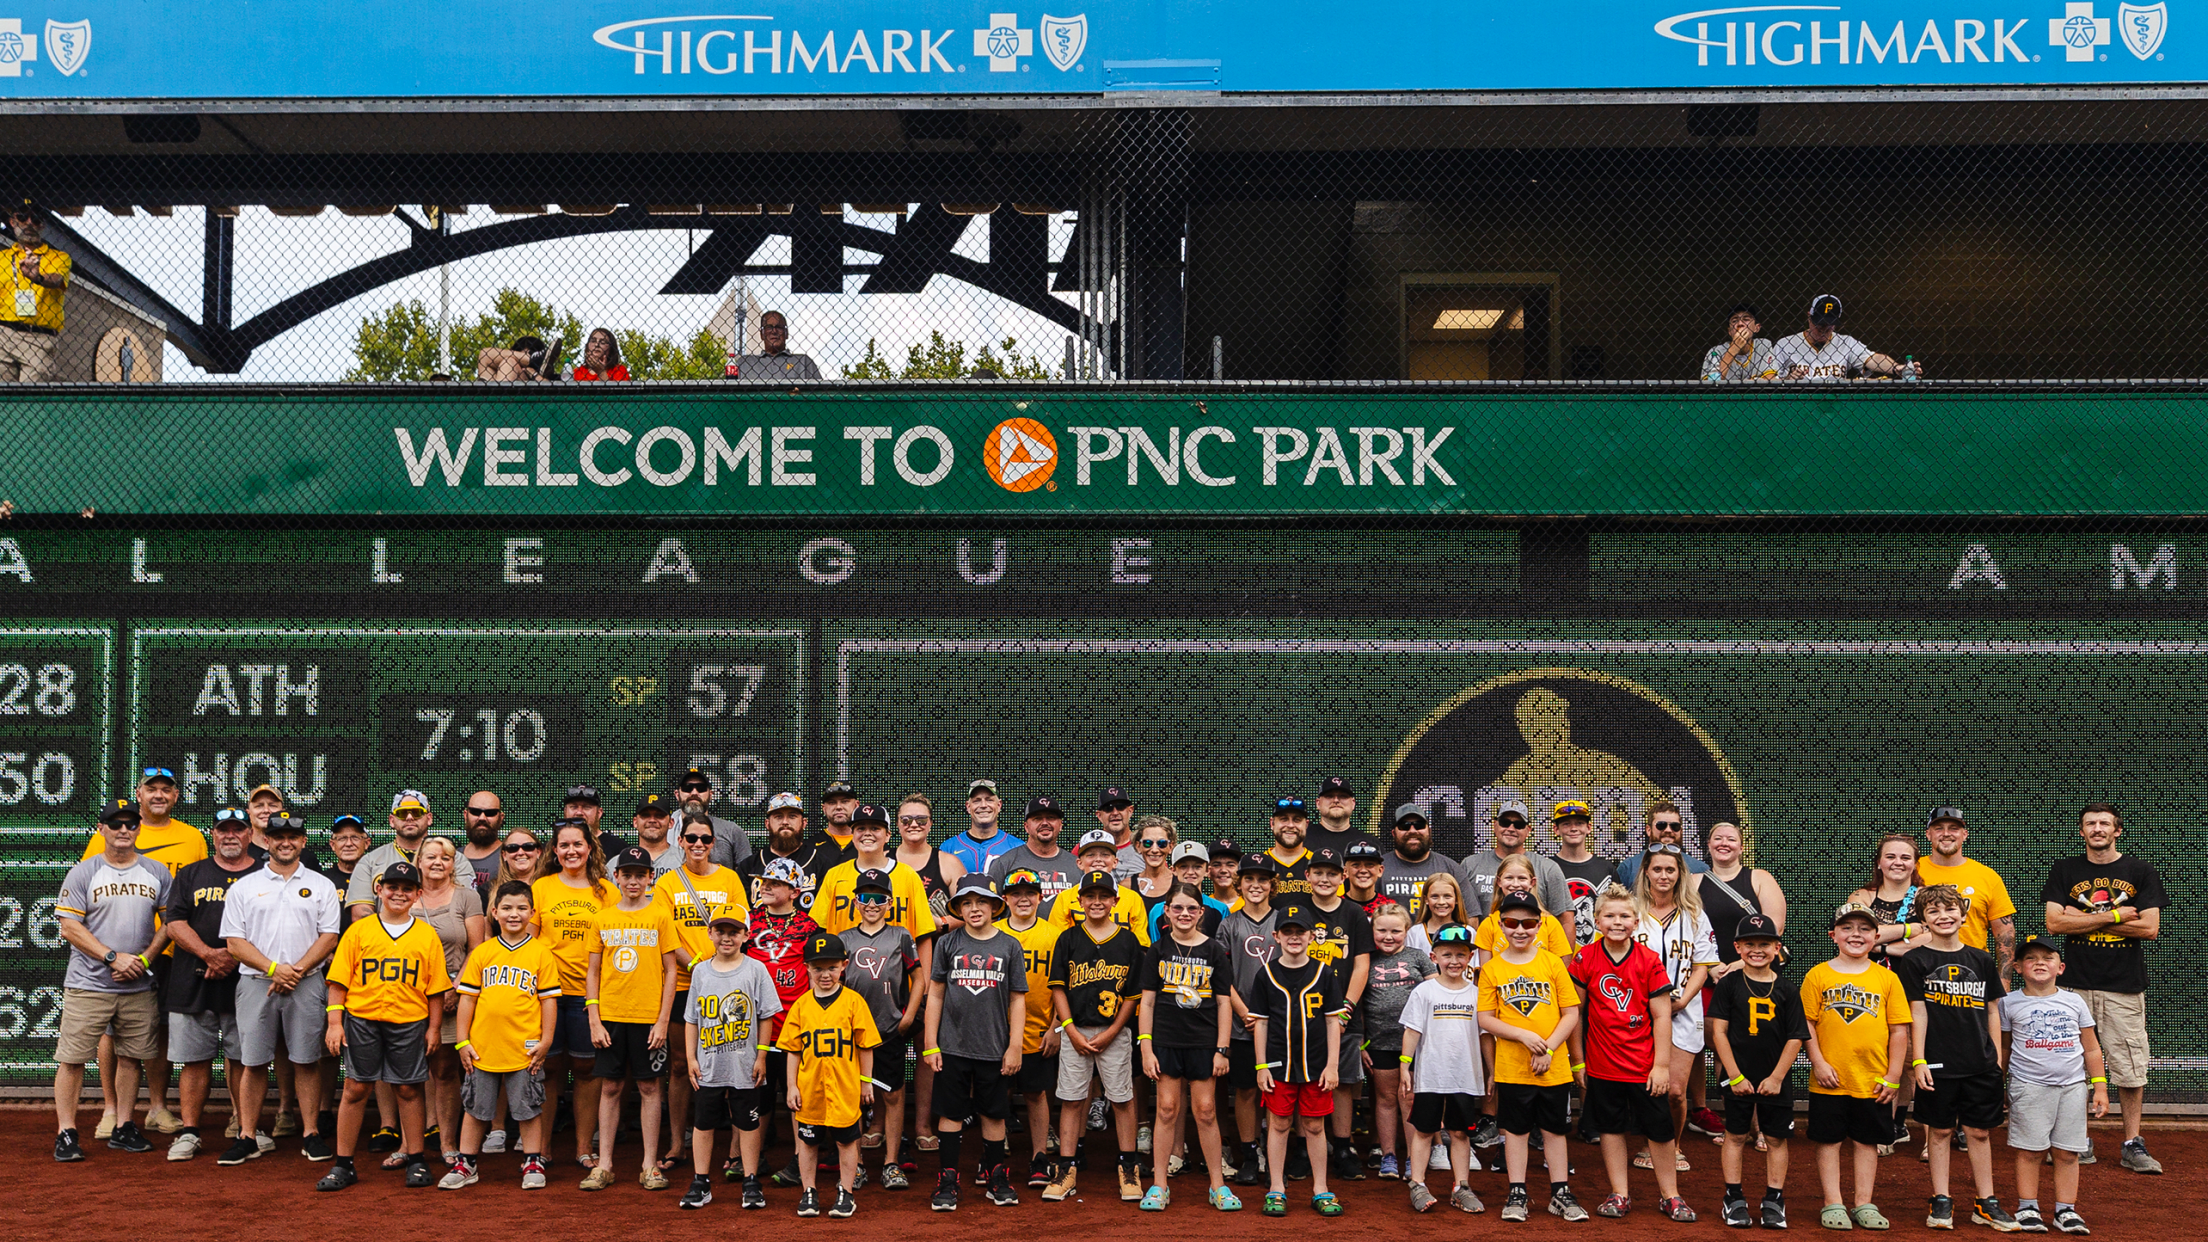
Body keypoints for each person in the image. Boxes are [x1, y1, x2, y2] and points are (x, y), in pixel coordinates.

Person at [2041, 801, 2167, 1174]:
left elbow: (2148, 928)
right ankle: (2076, 1139)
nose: (2097, 829)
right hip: (2073, 985)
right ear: (2082, 832)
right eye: (2090, 824)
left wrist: (2083, 918)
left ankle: (2132, 1142)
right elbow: (2054, 924)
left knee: (2129, 1068)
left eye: (2104, 823)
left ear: (2117, 831)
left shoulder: (2140, 871)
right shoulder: (2065, 870)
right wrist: (2112, 915)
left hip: (2124, 986)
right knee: (2071, 1065)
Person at [79, 767, 204, 1140]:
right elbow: (87, 884)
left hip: (166, 950)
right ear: (139, 794)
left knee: (157, 1028)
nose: (159, 795)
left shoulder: (192, 836)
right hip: (115, 951)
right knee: (110, 1032)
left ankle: (158, 1108)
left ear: (176, 796)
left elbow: (196, 890)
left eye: (167, 789)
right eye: (152, 789)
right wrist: (106, 952)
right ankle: (112, 1109)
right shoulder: (111, 833)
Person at [315, 861, 452, 1191]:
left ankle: (416, 1159)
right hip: (363, 1018)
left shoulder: (425, 934)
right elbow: (338, 983)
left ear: (418, 894)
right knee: (356, 1088)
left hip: (408, 1021)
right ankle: (344, 1163)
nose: (399, 893)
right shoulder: (360, 931)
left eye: (407, 889)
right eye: (392, 887)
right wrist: (335, 1022)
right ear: (379, 890)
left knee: (408, 1088)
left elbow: (435, 990)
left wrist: (434, 1029)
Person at [53, 799, 173, 1163]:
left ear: (138, 829)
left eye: (130, 824)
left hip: (137, 983)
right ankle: (67, 1131)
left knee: (131, 1058)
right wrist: (111, 956)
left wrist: (145, 959)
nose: (123, 830)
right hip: (89, 983)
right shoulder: (84, 872)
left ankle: (124, 1125)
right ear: (101, 829)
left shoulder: (156, 872)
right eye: (115, 824)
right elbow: (69, 925)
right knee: (73, 1059)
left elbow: (171, 923)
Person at [221, 811, 342, 1164]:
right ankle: (247, 1135)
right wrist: (275, 969)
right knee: (253, 1062)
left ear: (303, 841)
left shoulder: (320, 885)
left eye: (293, 837)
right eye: (278, 837)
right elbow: (234, 942)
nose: (285, 842)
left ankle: (311, 1133)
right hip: (256, 982)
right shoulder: (244, 886)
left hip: (306, 983)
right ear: (267, 841)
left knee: (306, 1061)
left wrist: (296, 971)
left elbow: (329, 936)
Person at [1893, 884, 2015, 1230]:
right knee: (1940, 1133)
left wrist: (1996, 1060)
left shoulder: (1980, 958)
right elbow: (1917, 1013)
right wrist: (1918, 1060)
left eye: (1949, 910)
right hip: (1937, 1065)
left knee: (1978, 1133)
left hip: (1980, 1064)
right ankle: (1941, 1199)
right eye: (1933, 911)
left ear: (1963, 915)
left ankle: (1986, 1201)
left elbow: (1993, 1012)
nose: (1943, 916)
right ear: (1923, 919)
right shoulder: (1916, 960)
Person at [1569, 885, 1688, 1221]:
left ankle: (1671, 1195)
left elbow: (1662, 1014)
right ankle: (1619, 1193)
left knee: (1660, 1131)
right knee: (1610, 1128)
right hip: (1603, 1065)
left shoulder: (1648, 960)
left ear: (1637, 921)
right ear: (1596, 920)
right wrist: (1578, 1060)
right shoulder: (1585, 958)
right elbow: (1575, 1012)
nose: (1617, 922)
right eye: (1609, 916)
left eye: (1624, 916)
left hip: (1643, 1065)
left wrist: (1662, 1065)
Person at [443, 880, 562, 1191]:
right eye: (507, 908)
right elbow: (467, 999)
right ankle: (467, 1162)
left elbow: (549, 1001)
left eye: (522, 908)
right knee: (476, 1107)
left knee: (528, 1106)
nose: (514, 914)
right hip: (482, 1046)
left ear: (532, 912)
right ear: (493, 912)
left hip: (525, 1047)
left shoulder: (540, 953)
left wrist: (547, 1040)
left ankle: (533, 1159)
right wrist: (463, 1041)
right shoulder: (483, 953)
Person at [1801, 902, 1912, 1231]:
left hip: (1873, 1078)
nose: (1856, 934)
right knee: (1829, 1140)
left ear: (1877, 937)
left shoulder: (1887, 978)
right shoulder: (1818, 974)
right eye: (1847, 928)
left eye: (1864, 929)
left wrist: (1893, 1076)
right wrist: (1818, 1062)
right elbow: (1806, 1024)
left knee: (1867, 1141)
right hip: (1829, 1078)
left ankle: (1863, 1202)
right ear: (1833, 935)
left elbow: (1899, 1030)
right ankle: (1832, 1200)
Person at [160, 807, 261, 1162]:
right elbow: (174, 922)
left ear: (250, 834)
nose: (230, 835)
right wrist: (209, 955)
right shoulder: (191, 874)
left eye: (238, 829)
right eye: (223, 830)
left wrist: (234, 955)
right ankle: (190, 1130)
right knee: (194, 1059)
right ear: (213, 835)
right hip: (194, 977)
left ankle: (243, 1125)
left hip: (247, 980)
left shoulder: (264, 873)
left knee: (244, 1058)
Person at [1478, 891, 1584, 1224]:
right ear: (1500, 925)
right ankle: (1517, 1191)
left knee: (1554, 1130)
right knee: (1516, 1131)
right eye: (1511, 923)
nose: (1519, 929)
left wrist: (1549, 1047)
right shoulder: (1492, 968)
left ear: (1540, 925)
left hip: (1553, 1066)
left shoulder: (1552, 962)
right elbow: (1485, 1018)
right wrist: (1523, 1036)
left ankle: (1560, 1192)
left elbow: (1570, 1013)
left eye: (1527, 923)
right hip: (1512, 1066)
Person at [654, 808, 750, 1171]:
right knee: (681, 1066)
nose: (698, 844)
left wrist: (717, 970)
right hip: (682, 982)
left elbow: (740, 926)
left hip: (727, 985)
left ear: (713, 843)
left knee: (730, 1066)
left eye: (705, 839)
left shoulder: (728, 878)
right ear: (680, 841)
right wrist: (696, 967)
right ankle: (678, 1144)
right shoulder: (667, 884)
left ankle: (735, 1152)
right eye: (691, 838)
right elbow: (667, 936)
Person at [580, 847, 679, 1191]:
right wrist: (594, 1016)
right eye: (627, 874)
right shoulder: (603, 918)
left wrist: (663, 1020)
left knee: (651, 1087)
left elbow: (671, 971)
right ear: (616, 877)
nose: (633, 880)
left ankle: (649, 1165)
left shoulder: (661, 916)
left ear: (651, 878)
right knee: (610, 1087)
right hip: (610, 1015)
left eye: (641, 874)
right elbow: (591, 972)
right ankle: (604, 1164)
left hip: (648, 1016)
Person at [925, 875, 1026, 1209]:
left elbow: (1016, 1000)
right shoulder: (948, 943)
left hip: (994, 1047)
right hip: (952, 1045)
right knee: (950, 1112)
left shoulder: (1009, 945)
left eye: (982, 901)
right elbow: (936, 994)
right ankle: (948, 1178)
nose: (974, 908)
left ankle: (996, 1175)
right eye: (966, 903)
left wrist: (1014, 1046)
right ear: (958, 908)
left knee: (994, 1113)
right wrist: (930, 1042)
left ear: (996, 906)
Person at [1045, 868, 1145, 1202]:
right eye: (1091, 896)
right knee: (1072, 1099)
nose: (1097, 902)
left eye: (1104, 896)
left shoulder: (1128, 940)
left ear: (1116, 901)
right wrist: (1069, 1029)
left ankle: (1128, 1167)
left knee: (1121, 1098)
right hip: (1077, 1029)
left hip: (1114, 1032)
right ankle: (1066, 1169)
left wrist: (1115, 1030)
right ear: (1080, 901)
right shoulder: (1069, 938)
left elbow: (1133, 996)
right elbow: (1058, 988)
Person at [1138, 882, 1240, 1211]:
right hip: (1167, 1040)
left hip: (1203, 1042)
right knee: (1166, 1109)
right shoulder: (1157, 951)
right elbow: (1148, 1004)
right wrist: (1146, 1048)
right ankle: (1158, 1185)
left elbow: (1225, 1004)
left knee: (1206, 1111)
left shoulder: (1213, 951)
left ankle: (1217, 1186)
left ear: (1202, 913)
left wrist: (1222, 1049)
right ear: (1166, 911)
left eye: (1191, 908)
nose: (1184, 914)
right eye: (1177, 908)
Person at [1999, 935, 2109, 1235]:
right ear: (2018, 967)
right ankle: (2027, 1207)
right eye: (2031, 959)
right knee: (2030, 1150)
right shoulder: (2009, 1003)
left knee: (2068, 1152)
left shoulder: (2074, 1001)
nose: (2039, 963)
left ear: (2060, 967)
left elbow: (2091, 1048)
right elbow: (2004, 1048)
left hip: (2073, 1088)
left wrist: (2099, 1086)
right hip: (2029, 1086)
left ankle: (2066, 1211)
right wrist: (2000, 1085)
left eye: (2047, 958)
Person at [1247, 902, 1348, 1219]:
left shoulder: (1324, 973)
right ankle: (1276, 1187)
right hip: (1278, 1065)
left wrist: (1333, 1065)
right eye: (1287, 932)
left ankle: (1321, 1188)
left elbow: (1334, 1021)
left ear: (1311, 936)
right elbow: (1260, 1022)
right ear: (1275, 936)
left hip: (1316, 1066)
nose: (1294, 937)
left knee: (1315, 1126)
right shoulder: (1266, 975)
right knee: (1278, 1125)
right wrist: (1261, 1065)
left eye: (1300, 932)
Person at [1708, 912, 1807, 1230]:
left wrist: (1777, 1077)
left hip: (1775, 1079)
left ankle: (1774, 1199)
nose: (1757, 949)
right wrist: (1734, 1076)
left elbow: (1796, 1037)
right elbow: (1719, 1033)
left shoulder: (1788, 990)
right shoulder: (1729, 985)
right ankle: (1733, 1197)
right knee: (1735, 1135)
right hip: (1737, 1076)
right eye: (1749, 944)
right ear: (1737, 947)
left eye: (1765, 943)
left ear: (1777, 948)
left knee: (1776, 1138)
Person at [680, 910, 783, 1209]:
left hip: (744, 1065)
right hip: (709, 1064)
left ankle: (751, 1180)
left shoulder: (755, 970)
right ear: (710, 933)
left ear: (745, 936)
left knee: (748, 1124)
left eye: (734, 932)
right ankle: (701, 1181)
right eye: (721, 931)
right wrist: (691, 1058)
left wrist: (761, 1055)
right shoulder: (700, 971)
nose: (727, 937)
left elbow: (767, 1016)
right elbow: (691, 1020)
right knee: (703, 1122)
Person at [777, 932, 879, 1219]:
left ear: (844, 965)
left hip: (845, 1087)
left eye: (832, 967)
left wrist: (866, 1082)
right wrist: (790, 1086)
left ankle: (846, 1192)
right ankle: (809, 1191)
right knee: (808, 1142)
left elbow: (865, 1045)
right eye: (818, 968)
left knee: (847, 1141)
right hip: (809, 1088)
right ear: (807, 967)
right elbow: (793, 1050)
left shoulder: (853, 1002)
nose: (825, 974)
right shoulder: (801, 1005)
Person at [529, 818, 612, 1171]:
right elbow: (529, 942)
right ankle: (543, 1147)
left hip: (589, 994)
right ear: (555, 851)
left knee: (587, 1069)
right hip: (546, 993)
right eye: (564, 845)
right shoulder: (541, 887)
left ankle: (582, 1146)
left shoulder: (608, 891)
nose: (571, 851)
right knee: (547, 1069)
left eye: (577, 844)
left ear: (589, 848)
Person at [1633, 844, 1718, 1156]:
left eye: (1671, 870)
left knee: (1675, 1091)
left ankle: (1675, 1147)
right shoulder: (1632, 913)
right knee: (1649, 1088)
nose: (1664, 875)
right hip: (1641, 1012)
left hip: (1683, 1010)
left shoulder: (1695, 915)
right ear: (1646, 873)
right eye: (1657, 869)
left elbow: (1702, 966)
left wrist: (1683, 1001)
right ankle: (1650, 1145)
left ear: (1680, 874)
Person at [839, 868, 922, 1189]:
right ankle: (856, 1163)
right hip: (854, 1034)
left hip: (889, 1028)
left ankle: (890, 1162)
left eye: (879, 898)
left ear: (890, 903)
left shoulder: (900, 935)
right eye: (865, 898)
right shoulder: (845, 939)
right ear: (855, 902)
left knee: (893, 1094)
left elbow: (919, 979)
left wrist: (908, 1016)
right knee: (855, 1099)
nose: (871, 904)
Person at [750, 857, 825, 1182]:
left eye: (775, 882)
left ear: (794, 891)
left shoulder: (809, 926)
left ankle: (799, 1160)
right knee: (756, 1095)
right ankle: (749, 1157)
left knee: (796, 1095)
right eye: (764, 881)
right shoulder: (749, 921)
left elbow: (817, 971)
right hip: (754, 1026)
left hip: (794, 1023)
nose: (765, 886)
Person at [1399, 922, 1481, 1215]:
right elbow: (1412, 1031)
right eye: (1447, 954)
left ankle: (1462, 1187)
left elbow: (1485, 1037)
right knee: (1424, 1129)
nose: (1454, 961)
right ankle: (1418, 1183)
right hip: (1430, 1076)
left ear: (1470, 957)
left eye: (1461, 954)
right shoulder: (1425, 991)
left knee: (1460, 1133)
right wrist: (1404, 1067)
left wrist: (1492, 1071)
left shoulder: (1477, 994)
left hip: (1464, 1076)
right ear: (1434, 957)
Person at [414, 836, 486, 1166]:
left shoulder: (467, 898)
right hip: (408, 998)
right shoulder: (403, 895)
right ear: (418, 861)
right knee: (407, 1073)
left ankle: (447, 1143)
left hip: (451, 997)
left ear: (453, 864)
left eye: (445, 857)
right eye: (430, 856)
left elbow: (478, 948)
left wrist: (456, 987)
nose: (437, 862)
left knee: (444, 1070)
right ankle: (408, 1144)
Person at [1304, 847, 1373, 1183]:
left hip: (1345, 1013)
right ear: (1308, 877)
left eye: (1332, 873)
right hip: (1302, 1014)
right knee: (1303, 1079)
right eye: (1318, 872)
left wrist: (1345, 1008)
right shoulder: (1297, 910)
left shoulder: (1354, 914)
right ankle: (1304, 1147)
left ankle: (1343, 1147)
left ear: (1342, 876)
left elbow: (1362, 964)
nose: (1325, 879)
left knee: (1344, 1082)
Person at [998, 868, 1064, 1188]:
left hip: (1039, 1029)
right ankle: (995, 1151)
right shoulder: (994, 931)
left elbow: (1064, 987)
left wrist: (1056, 1028)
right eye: (1016, 894)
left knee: (1037, 1093)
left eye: (1030, 893)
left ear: (1040, 897)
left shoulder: (1053, 935)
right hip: (998, 1031)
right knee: (998, 1091)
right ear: (1005, 899)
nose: (1023, 899)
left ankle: (1039, 1155)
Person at [1361, 900, 1433, 1182]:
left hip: (1414, 1043)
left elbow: (1434, 994)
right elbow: (1360, 1002)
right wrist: (1361, 1043)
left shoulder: (1418, 957)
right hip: (1379, 1042)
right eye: (1381, 931)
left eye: (1396, 931)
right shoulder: (1366, 959)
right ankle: (1388, 1155)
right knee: (1386, 1098)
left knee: (1410, 1098)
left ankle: (1412, 1157)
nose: (1388, 937)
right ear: (1373, 930)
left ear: (1407, 931)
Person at [1218, 854, 1279, 1186]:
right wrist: (1245, 1013)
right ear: (1239, 883)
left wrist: (1273, 1016)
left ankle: (1276, 1151)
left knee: (1278, 1089)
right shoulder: (1229, 924)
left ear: (1272, 885)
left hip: (1280, 1024)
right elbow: (1222, 977)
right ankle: (1250, 1153)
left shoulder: (1283, 921)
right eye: (1249, 880)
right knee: (1245, 1090)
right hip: (1244, 1024)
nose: (1256, 886)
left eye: (1263, 880)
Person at [1919, 806, 2017, 982]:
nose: (1946, 834)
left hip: (1971, 973)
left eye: (1954, 828)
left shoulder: (1987, 876)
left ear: (1965, 834)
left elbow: (2005, 934)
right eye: (1939, 828)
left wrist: (2004, 983)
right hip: (1921, 969)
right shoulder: (1912, 870)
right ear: (1928, 834)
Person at [816, 803, 937, 945]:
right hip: (845, 964)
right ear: (852, 835)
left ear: (887, 835)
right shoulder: (834, 875)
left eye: (875, 828)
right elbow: (818, 929)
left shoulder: (908, 875)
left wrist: (923, 968)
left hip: (896, 964)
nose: (867, 833)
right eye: (861, 828)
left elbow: (923, 935)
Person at [1463, 800, 1572, 934]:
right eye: (1505, 822)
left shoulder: (1547, 868)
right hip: (1487, 950)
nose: (1511, 828)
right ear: (1495, 825)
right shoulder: (1470, 865)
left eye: (1518, 825)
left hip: (1537, 951)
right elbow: (1461, 916)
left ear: (1528, 830)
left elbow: (1566, 920)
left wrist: (1564, 955)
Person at [1773, 292, 1922, 381]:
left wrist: (1897, 368)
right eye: (1819, 324)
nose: (1823, 329)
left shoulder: (1845, 342)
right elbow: (1769, 379)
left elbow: (1873, 359)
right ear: (1809, 317)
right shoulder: (1786, 344)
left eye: (1829, 325)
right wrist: (1788, 380)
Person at [1, 198, 70, 382]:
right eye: (23, 217)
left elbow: (57, 280)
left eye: (37, 218)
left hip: (39, 337)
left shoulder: (59, 257)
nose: (30, 223)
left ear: (43, 225)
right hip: (3, 334)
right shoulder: (2, 258)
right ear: (12, 221)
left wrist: (37, 277)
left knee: (31, 399)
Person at [1044, 830, 1153, 940]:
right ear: (1079, 863)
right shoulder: (1065, 897)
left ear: (1115, 862)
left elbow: (1140, 945)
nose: (1098, 860)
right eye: (1090, 855)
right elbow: (1057, 941)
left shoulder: (1132, 898)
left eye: (1105, 855)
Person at [738, 791, 830, 913]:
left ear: (804, 823)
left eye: (792, 816)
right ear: (767, 823)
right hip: (760, 931)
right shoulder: (749, 866)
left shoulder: (821, 863)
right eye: (778, 817)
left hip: (810, 931)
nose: (785, 822)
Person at [347, 790, 434, 916]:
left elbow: (464, 908)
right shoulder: (369, 862)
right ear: (392, 820)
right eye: (402, 813)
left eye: (417, 812)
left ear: (429, 818)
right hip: (384, 934)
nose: (409, 818)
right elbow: (360, 916)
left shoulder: (453, 860)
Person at [1548, 800, 1617, 950]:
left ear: (1588, 828)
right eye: (1566, 824)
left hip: (1600, 957)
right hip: (1556, 955)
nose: (1573, 828)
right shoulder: (1546, 867)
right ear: (1556, 829)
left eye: (1579, 823)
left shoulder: (1606, 868)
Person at [986, 795, 1078, 903]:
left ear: (1061, 825)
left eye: (1051, 818)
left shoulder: (1076, 865)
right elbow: (989, 909)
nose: (1044, 823)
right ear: (1026, 827)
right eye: (1037, 818)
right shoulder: (1005, 863)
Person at [894, 792, 963, 928]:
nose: (913, 824)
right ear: (897, 823)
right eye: (906, 820)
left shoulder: (949, 863)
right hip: (891, 945)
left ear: (930, 823)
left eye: (921, 820)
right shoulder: (882, 859)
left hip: (938, 946)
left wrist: (941, 923)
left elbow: (967, 912)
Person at [1380, 803, 1457, 922]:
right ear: (1393, 833)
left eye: (1419, 825)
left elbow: (1470, 915)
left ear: (1429, 831)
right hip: (1391, 939)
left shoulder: (1450, 867)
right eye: (1404, 826)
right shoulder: (1378, 868)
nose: (1412, 830)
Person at [1612, 800, 1710, 889]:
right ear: (1648, 830)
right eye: (1661, 825)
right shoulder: (1628, 867)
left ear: (1681, 831)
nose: (1668, 830)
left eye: (1674, 826)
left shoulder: (1700, 869)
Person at [671, 768, 752, 871]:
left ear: (711, 795)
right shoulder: (664, 830)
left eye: (701, 788)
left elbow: (747, 874)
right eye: (688, 788)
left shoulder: (731, 831)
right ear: (677, 794)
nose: (694, 792)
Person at [1147, 842, 1230, 941]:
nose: (1190, 872)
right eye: (1183, 866)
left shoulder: (1220, 909)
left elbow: (1221, 951)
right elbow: (1155, 950)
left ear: (1207, 870)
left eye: (1197, 867)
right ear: (1173, 870)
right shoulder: (1158, 911)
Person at [943, 778, 1023, 874]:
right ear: (968, 807)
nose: (983, 805)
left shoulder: (1017, 847)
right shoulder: (948, 847)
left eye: (989, 800)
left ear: (999, 805)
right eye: (977, 801)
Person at [733, 311, 822, 381]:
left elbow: (821, 395)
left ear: (786, 333)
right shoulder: (745, 363)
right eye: (769, 327)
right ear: (762, 334)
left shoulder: (803, 362)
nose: (774, 331)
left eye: (779, 327)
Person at [1700, 303, 1777, 382]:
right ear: (1729, 331)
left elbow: (1770, 379)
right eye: (1734, 321)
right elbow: (1711, 384)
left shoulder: (1763, 346)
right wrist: (1734, 348)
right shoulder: (1716, 352)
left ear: (1756, 328)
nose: (1740, 324)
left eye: (1746, 319)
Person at [1260, 796, 1316, 901]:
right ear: (1272, 823)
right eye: (1284, 819)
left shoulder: (1319, 863)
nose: (1290, 825)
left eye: (1297, 820)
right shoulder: (1258, 865)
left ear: (1306, 824)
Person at [1407, 869, 1468, 955]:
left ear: (1457, 899)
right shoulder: (1414, 933)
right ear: (1426, 899)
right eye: (1435, 896)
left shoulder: (1468, 932)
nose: (1441, 902)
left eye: (1447, 896)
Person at [1305, 775, 1366, 860]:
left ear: (1353, 803)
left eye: (1343, 796)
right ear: (1318, 803)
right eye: (1329, 796)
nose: (1336, 800)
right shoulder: (1302, 840)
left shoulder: (1368, 843)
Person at [1129, 814, 1180, 911]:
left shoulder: (1182, 883)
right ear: (1138, 846)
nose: (1155, 849)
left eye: (1162, 843)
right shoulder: (1127, 885)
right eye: (1148, 843)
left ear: (1171, 846)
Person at [563, 784, 628, 859]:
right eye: (574, 807)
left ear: (599, 813)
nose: (579, 813)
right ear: (565, 812)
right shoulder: (551, 847)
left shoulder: (618, 848)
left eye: (586, 807)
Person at [1095, 784, 1142, 884]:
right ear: (1099, 815)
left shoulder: (1147, 845)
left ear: (1130, 811)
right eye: (1108, 808)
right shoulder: (1085, 847)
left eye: (1120, 807)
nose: (1115, 813)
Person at [474, 335, 561, 382]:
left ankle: (535, 361)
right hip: (493, 407)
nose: (522, 368)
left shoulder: (554, 379)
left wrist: (535, 375)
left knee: (509, 362)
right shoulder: (498, 374)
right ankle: (534, 360)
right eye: (521, 361)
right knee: (508, 362)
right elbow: (484, 355)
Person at [811, 780, 860, 863]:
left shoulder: (869, 844)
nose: (838, 807)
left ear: (856, 805)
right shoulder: (810, 846)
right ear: (824, 808)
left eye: (845, 802)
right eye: (832, 802)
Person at [633, 793, 681, 876]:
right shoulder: (617, 863)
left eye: (659, 816)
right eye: (645, 815)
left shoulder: (685, 860)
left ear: (671, 822)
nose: (652, 820)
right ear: (635, 822)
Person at [1344, 839, 1387, 909]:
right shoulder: (1335, 907)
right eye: (1356, 865)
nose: (1363, 870)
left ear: (1380, 870)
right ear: (1345, 871)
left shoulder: (1389, 908)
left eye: (1370, 864)